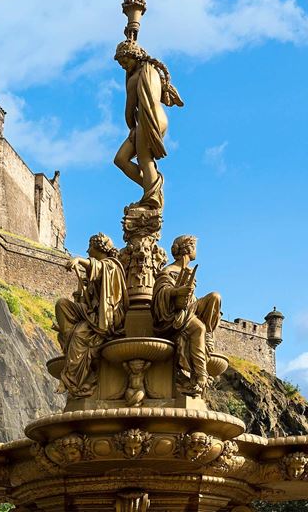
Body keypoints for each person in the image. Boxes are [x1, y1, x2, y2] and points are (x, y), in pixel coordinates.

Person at [54, 233, 128, 398]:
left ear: (98, 247)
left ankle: (71, 380)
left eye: (90, 246)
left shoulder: (111, 266)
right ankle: (69, 338)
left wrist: (79, 260)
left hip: (107, 317)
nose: (87, 250)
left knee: (80, 334)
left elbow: (99, 268)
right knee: (62, 305)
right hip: (91, 313)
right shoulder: (96, 270)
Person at [113, 40, 183, 209]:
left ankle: (152, 197)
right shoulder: (152, 72)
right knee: (121, 159)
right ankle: (151, 188)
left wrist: (132, 128)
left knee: (145, 159)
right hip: (160, 119)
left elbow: (129, 110)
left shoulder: (135, 78)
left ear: (135, 57)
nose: (123, 66)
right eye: (120, 63)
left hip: (148, 119)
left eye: (125, 61)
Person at [151, 235, 221, 395]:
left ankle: (208, 335)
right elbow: (159, 294)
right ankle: (200, 375)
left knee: (215, 297)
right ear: (187, 249)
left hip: (189, 309)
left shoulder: (189, 272)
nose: (196, 250)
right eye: (194, 247)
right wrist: (177, 292)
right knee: (198, 329)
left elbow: (191, 299)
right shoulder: (168, 271)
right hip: (173, 316)